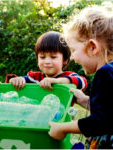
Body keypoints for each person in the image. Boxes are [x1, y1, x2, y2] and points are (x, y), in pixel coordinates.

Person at [49, 5, 113, 149]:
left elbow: (100, 122)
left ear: (92, 47)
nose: (72, 58)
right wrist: (86, 101)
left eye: (73, 50)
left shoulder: (104, 74)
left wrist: (63, 128)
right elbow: (108, 111)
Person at [6, 31, 87, 91]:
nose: (47, 61)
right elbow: (11, 83)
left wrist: (56, 81)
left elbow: (82, 82)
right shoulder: (35, 78)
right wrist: (16, 80)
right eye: (42, 57)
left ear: (65, 60)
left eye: (53, 57)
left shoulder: (69, 76)